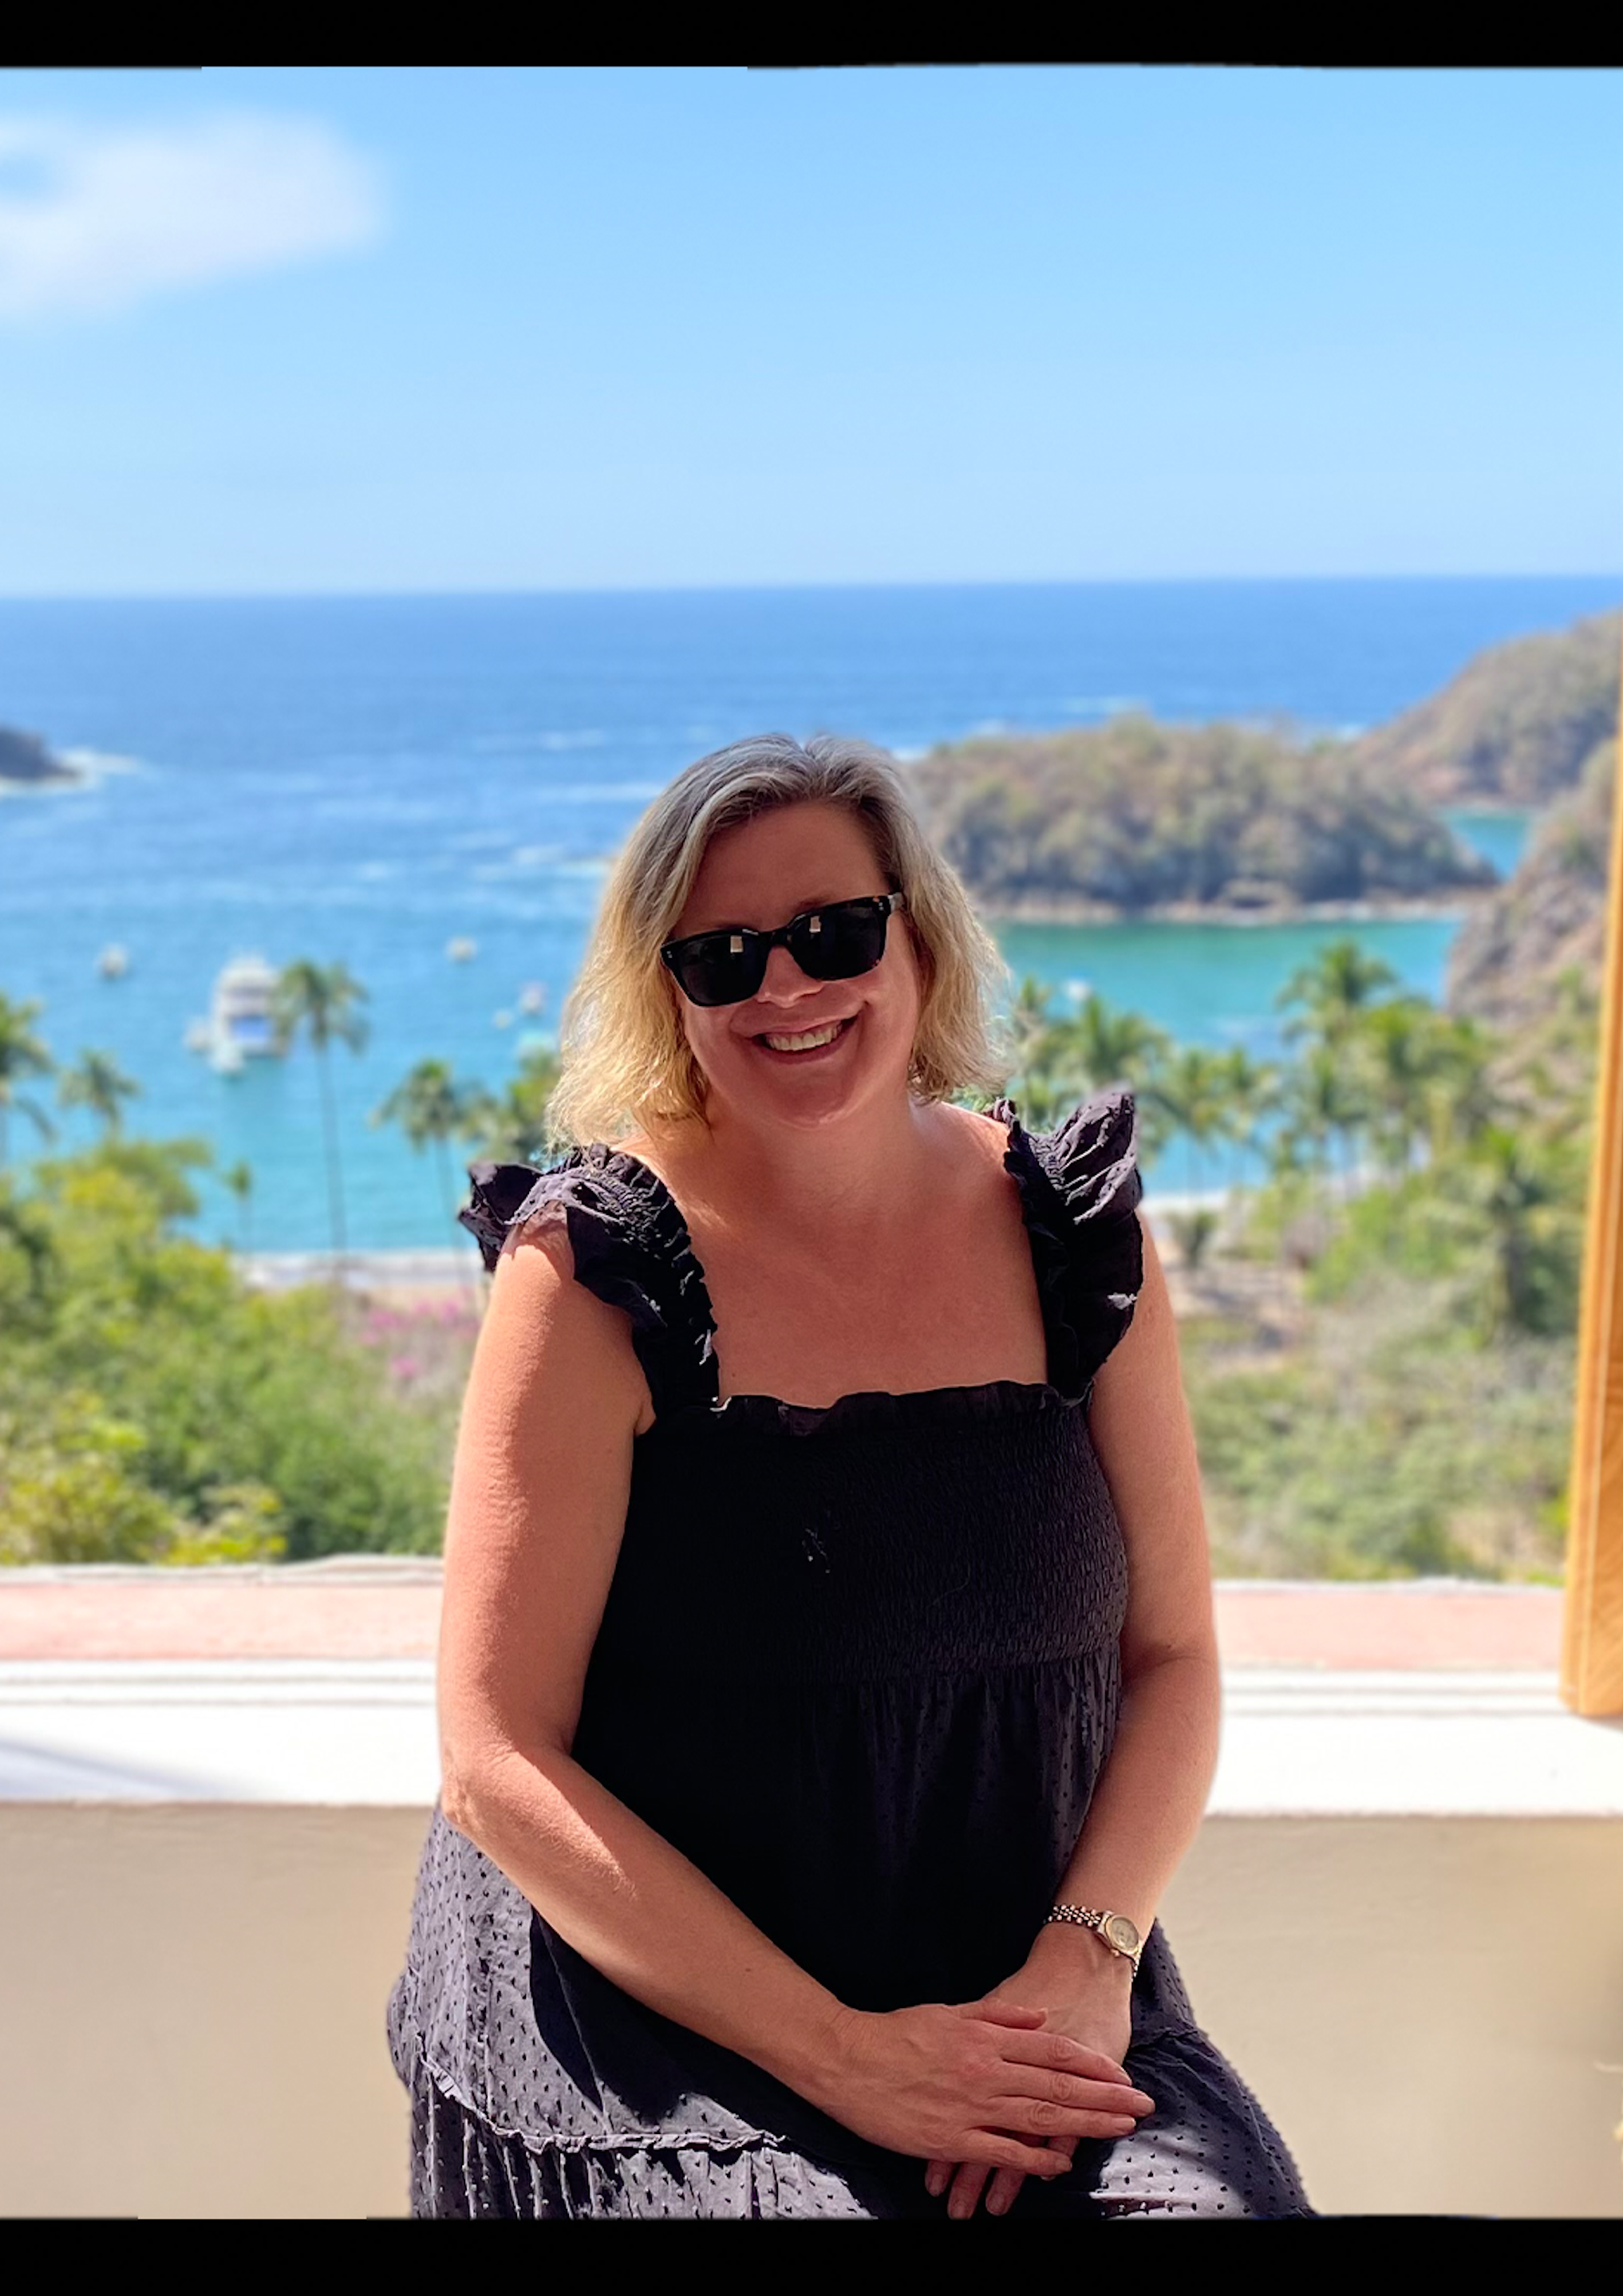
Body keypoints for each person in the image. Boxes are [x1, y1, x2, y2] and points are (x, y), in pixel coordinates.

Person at [388, 733, 1310, 2219]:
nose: (788, 987)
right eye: (721, 958)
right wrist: (849, 2061)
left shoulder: (1075, 1242)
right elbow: (496, 1756)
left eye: (834, 933)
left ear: (920, 940)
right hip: (663, 2025)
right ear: (664, 991)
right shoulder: (598, 1275)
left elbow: (1178, 1654)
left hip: (1024, 1982)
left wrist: (1085, 1965)